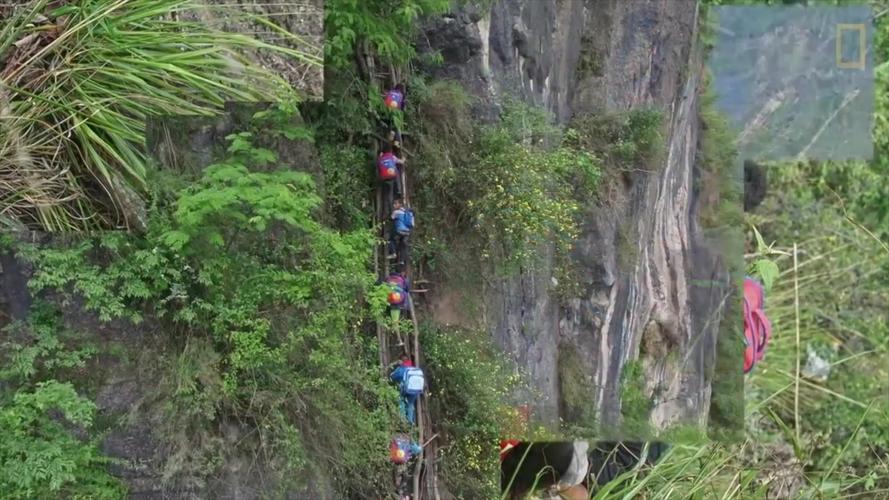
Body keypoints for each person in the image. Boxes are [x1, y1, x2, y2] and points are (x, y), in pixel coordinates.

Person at [390, 356, 424, 426]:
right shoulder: (413, 369)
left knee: (401, 400)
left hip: (405, 389)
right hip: (414, 390)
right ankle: (410, 422)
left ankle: (402, 421)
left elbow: (393, 376)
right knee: (410, 404)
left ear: (401, 361)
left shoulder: (401, 369)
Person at [378, 143, 406, 213]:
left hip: (384, 179)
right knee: (396, 171)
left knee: (388, 195)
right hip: (392, 177)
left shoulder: (380, 158)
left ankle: (389, 211)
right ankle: (398, 189)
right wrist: (404, 159)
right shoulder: (391, 156)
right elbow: (401, 162)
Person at [388, 198, 415, 267]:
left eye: (395, 204)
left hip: (399, 231)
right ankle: (402, 260)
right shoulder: (407, 212)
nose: (394, 205)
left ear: (400, 204)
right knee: (403, 245)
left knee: (391, 239)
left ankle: (393, 253)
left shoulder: (396, 212)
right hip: (407, 232)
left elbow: (391, 218)